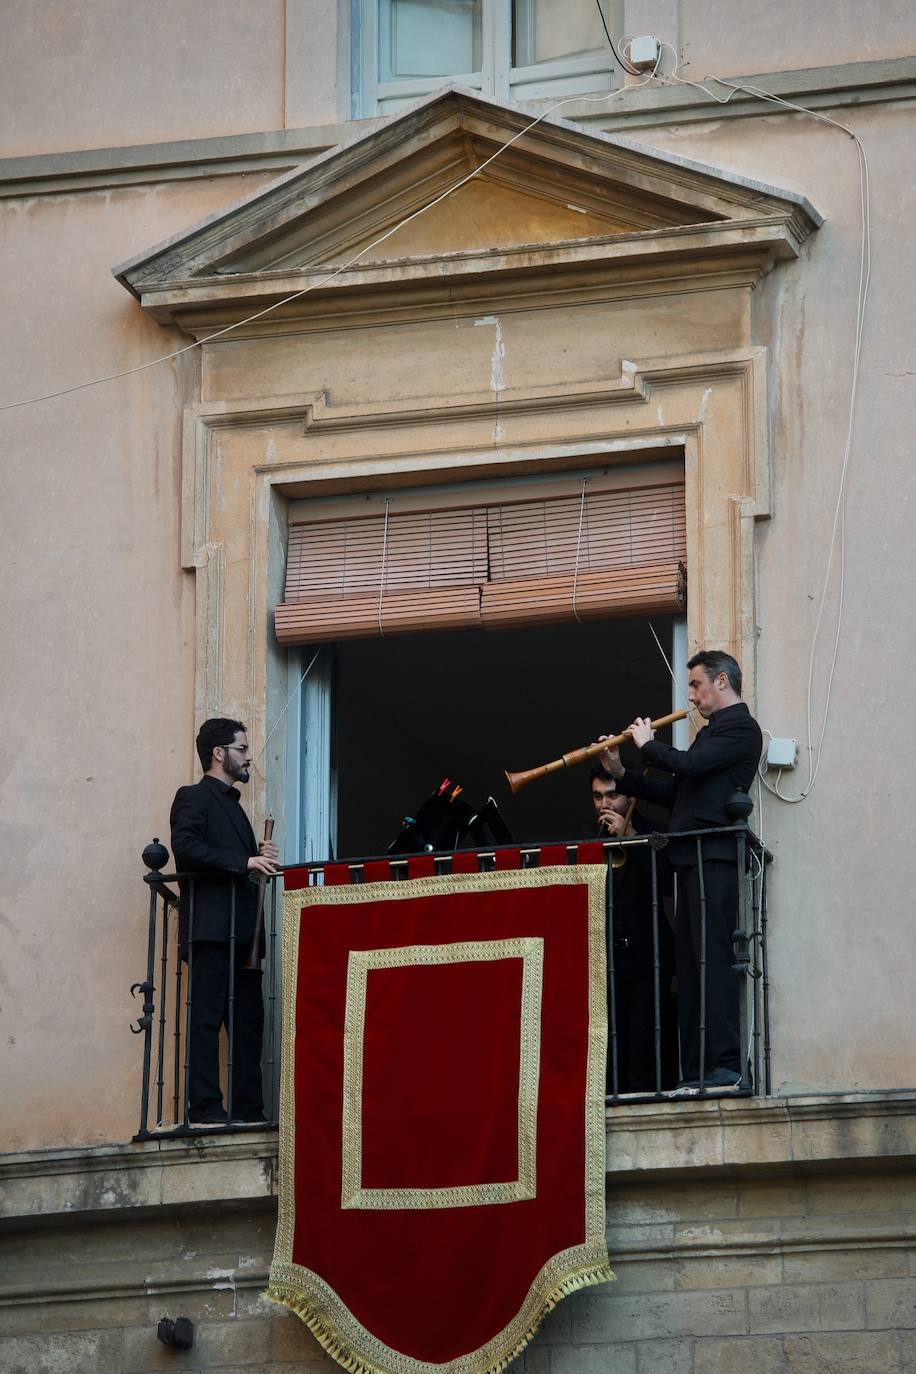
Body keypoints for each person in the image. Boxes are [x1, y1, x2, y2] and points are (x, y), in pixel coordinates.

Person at [601, 651, 762, 1090]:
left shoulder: (742, 729)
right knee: (690, 969)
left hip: (713, 858)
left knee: (711, 961)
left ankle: (725, 1066)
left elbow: (687, 767)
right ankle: (695, 1071)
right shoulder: (711, 734)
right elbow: (678, 792)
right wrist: (623, 773)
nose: (691, 695)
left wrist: (648, 743)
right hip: (691, 860)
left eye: (695, 685)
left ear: (722, 681)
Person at [170, 718, 279, 1126]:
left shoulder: (232, 805)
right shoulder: (194, 796)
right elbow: (185, 847)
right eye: (242, 748)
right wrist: (245, 860)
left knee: (248, 1024)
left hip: (241, 934)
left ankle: (249, 1111)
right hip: (212, 932)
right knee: (206, 1020)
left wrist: (256, 855)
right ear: (219, 753)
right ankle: (206, 1111)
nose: (250, 755)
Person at [591, 766, 678, 1094]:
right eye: (598, 796)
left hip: (647, 957)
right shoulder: (589, 841)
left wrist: (629, 839)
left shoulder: (655, 832)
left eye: (612, 795)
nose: (605, 804)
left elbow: (667, 883)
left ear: (630, 796)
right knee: (610, 1041)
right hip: (607, 961)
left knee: (643, 1041)